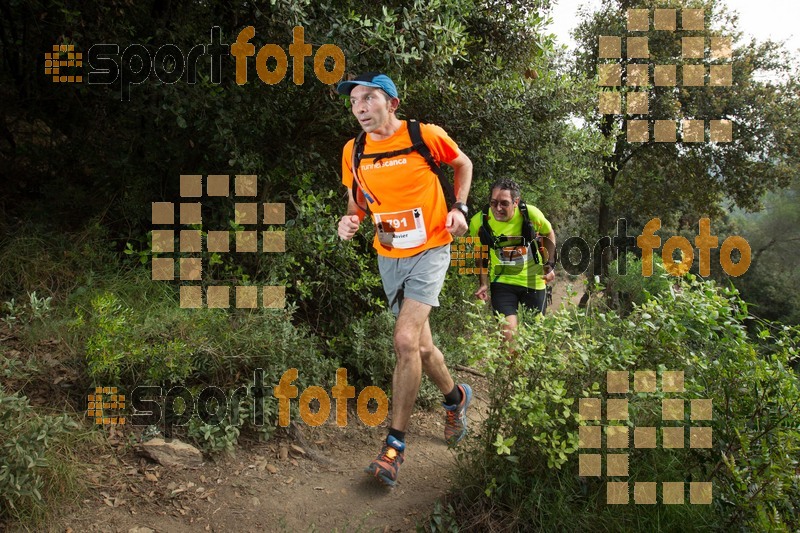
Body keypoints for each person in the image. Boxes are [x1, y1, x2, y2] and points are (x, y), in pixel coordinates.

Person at [336, 72, 474, 487]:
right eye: (354, 101)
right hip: (389, 256)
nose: (360, 107)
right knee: (424, 347)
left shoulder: (423, 135)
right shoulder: (353, 149)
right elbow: (357, 200)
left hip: (432, 247)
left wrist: (461, 209)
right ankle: (456, 399)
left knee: (403, 340)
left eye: (369, 98)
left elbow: (462, 164)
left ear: (391, 103)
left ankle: (393, 447)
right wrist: (351, 219)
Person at [468, 179, 556, 343]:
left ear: (516, 202)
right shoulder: (479, 222)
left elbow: (549, 233)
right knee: (508, 335)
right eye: (493, 203)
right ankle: (510, 368)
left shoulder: (531, 214)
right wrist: (483, 283)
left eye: (504, 203)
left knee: (534, 337)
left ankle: (526, 369)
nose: (497, 209)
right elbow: (480, 254)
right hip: (502, 283)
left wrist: (549, 265)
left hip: (533, 281)